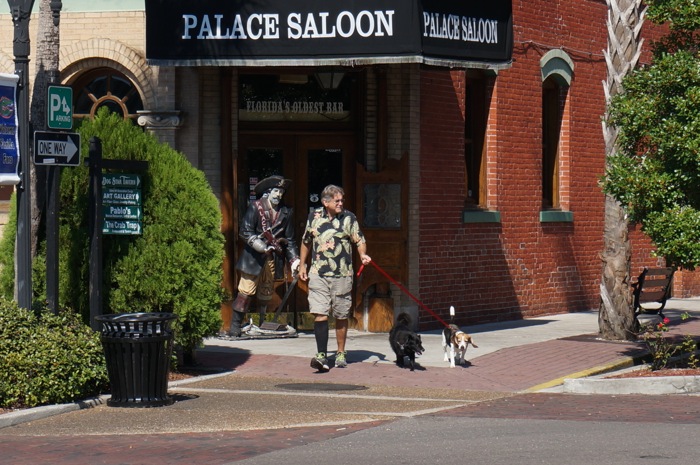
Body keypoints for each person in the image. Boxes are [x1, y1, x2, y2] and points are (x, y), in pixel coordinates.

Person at [298, 184, 371, 371]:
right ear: (325, 202)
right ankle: (322, 355)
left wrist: (362, 255)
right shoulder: (314, 217)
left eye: (341, 200)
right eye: (337, 200)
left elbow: (359, 240)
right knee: (320, 313)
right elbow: (306, 241)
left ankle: (340, 352)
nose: (341, 203)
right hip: (318, 274)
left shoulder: (349, 218)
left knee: (340, 314)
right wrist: (302, 264)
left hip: (342, 274)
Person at [221, 175, 300, 338]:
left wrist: (294, 260)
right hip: (253, 258)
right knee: (246, 291)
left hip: (272, 258)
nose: (279, 195)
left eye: (281, 192)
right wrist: (262, 246)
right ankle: (235, 325)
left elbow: (290, 239)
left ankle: (262, 322)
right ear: (268, 192)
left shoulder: (286, 212)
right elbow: (245, 231)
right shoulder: (255, 207)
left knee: (266, 290)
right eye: (276, 191)